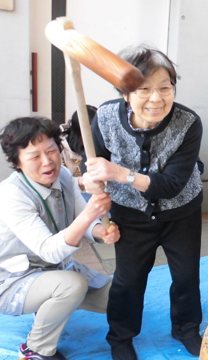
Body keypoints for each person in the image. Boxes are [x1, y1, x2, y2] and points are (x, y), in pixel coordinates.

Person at [82, 45, 204, 359]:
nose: (156, 98)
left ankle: (187, 327)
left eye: (165, 88)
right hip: (131, 213)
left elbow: (173, 184)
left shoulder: (188, 123)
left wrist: (120, 174)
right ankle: (120, 338)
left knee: (186, 274)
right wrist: (91, 176)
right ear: (125, 93)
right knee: (128, 279)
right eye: (144, 89)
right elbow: (93, 160)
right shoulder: (107, 116)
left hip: (181, 211)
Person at [0, 116, 119, 360]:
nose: (47, 162)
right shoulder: (11, 194)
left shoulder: (63, 175)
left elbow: (81, 218)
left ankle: (49, 304)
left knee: (119, 299)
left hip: (58, 268)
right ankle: (37, 349)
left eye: (52, 150)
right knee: (71, 286)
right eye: (34, 156)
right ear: (17, 162)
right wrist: (90, 214)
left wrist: (99, 231)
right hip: (13, 280)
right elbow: (49, 250)